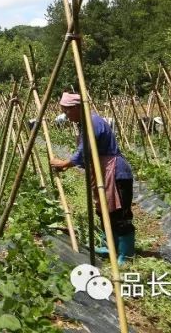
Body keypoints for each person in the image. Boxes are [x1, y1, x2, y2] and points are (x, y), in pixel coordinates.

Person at [49, 90, 135, 263]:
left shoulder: (92, 122)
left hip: (116, 172)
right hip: (103, 171)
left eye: (67, 110)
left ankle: (126, 255)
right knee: (103, 211)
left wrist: (66, 163)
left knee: (120, 214)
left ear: (78, 107)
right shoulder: (83, 123)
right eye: (63, 110)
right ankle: (112, 246)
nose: (65, 115)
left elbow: (86, 149)